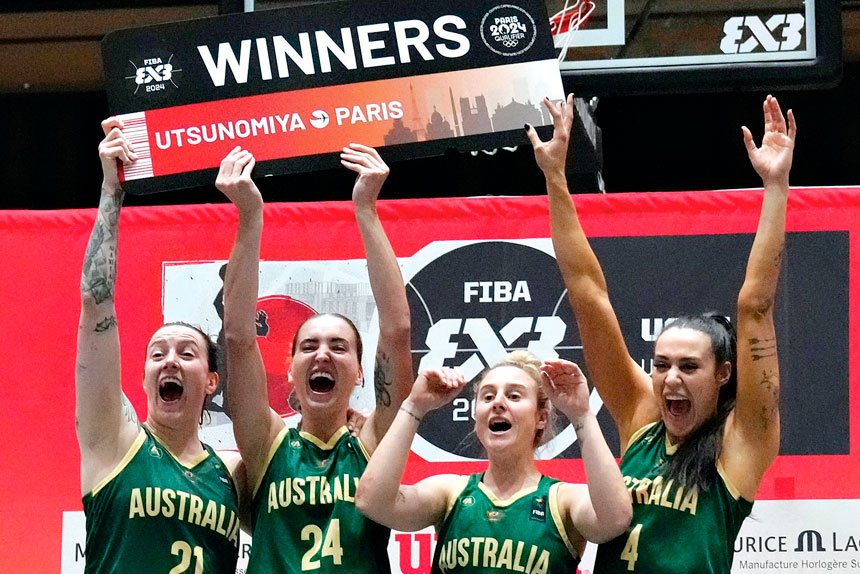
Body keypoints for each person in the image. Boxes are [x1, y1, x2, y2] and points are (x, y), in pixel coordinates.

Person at [526, 93, 794, 573]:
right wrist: (555, 178)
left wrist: (776, 186)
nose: (670, 378)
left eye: (689, 367)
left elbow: (755, 306)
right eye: (662, 364)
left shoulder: (743, 439)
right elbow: (587, 292)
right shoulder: (642, 418)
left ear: (723, 373)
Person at [217, 143, 413, 572]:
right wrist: (250, 216)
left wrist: (367, 211)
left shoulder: (374, 443)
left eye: (339, 347)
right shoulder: (267, 443)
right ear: (289, 371)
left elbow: (397, 331)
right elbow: (237, 336)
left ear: (360, 373)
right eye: (308, 346)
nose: (323, 353)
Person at [76, 118, 242, 573]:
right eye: (157, 354)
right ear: (145, 377)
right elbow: (95, 301)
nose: (170, 361)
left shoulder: (233, 473)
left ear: (212, 381)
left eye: (187, 353)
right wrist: (112, 189)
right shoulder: (114, 441)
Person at [355, 351, 633, 573]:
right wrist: (414, 406)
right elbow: (372, 501)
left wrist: (582, 415)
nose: (498, 403)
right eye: (487, 396)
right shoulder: (451, 493)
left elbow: (615, 519)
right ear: (476, 418)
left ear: (541, 417)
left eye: (514, 396)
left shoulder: (562, 501)